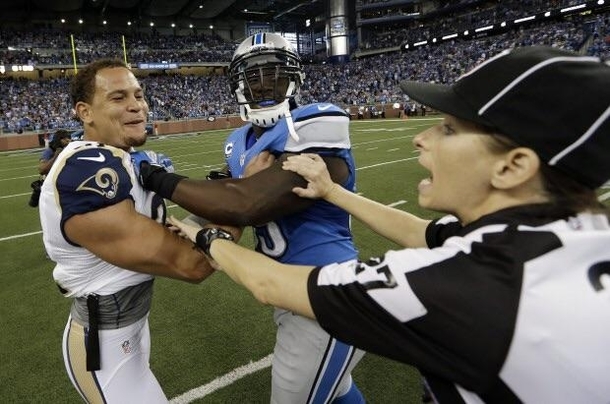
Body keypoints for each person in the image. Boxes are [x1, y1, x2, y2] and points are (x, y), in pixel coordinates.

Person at [168, 46, 610, 402]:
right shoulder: (560, 234)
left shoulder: (462, 284)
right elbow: (425, 233)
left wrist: (205, 236)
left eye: (450, 130)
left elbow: (269, 286)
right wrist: (335, 192)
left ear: (513, 167)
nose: (422, 136)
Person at [137, 32, 365, 403]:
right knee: (338, 393)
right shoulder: (239, 141)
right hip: (289, 291)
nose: (263, 85)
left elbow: (247, 203)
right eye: (253, 77)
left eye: (273, 74)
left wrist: (154, 178)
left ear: (294, 77)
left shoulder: (315, 123)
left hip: (326, 293)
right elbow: (232, 194)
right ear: (238, 86)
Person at [38, 59, 216, 403]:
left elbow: (165, 232)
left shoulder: (122, 157)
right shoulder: (86, 169)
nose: (136, 105)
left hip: (128, 328)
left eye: (139, 94)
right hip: (103, 346)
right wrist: (251, 206)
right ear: (85, 112)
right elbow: (191, 264)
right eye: (118, 97)